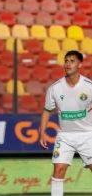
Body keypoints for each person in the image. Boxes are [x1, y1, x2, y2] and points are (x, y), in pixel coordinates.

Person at [39, 50, 92, 196]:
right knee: (59, 169)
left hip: (87, 135)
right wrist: (42, 133)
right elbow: (46, 111)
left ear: (80, 64)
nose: (68, 64)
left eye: (72, 61)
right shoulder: (55, 88)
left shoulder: (89, 87)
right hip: (65, 136)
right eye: (66, 60)